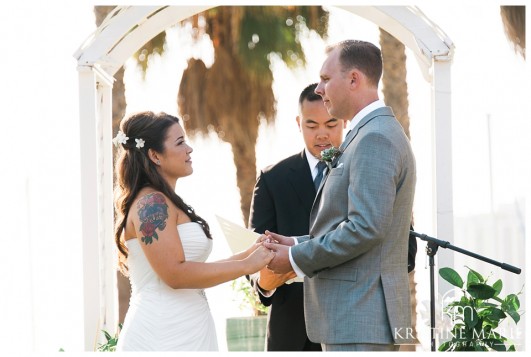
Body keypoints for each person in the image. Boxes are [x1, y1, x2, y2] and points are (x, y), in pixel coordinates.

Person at [264, 40, 417, 351]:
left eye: (325, 78)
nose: (319, 89)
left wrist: (294, 258)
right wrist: (294, 242)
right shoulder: (366, 135)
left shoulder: (374, 138)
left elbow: (365, 229)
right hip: (354, 319)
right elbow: (350, 225)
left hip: (361, 318)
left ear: (353, 79)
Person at [112, 111, 275, 351]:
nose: (189, 149)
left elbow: (190, 266)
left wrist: (252, 253)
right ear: (155, 155)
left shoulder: (165, 201)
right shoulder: (151, 204)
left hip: (189, 327)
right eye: (180, 142)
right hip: (162, 334)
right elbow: (175, 274)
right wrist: (246, 266)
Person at [248, 83, 346, 351]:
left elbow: (402, 250)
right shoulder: (272, 179)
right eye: (312, 125)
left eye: (331, 124)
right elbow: (253, 253)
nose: (322, 134)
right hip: (291, 334)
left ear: (344, 120)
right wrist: (265, 285)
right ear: (298, 123)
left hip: (351, 326)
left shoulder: (365, 172)